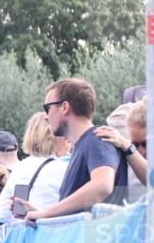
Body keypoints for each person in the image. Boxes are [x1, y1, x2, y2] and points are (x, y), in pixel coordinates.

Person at [26, 78, 130, 222]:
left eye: (47, 108)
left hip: (96, 241)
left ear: (64, 107)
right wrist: (45, 216)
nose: (45, 116)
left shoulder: (97, 139)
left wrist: (47, 213)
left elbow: (102, 186)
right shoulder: (87, 143)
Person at [0, 112, 71, 224]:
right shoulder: (64, 168)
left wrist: (20, 214)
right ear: (57, 138)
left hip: (28, 237)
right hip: (57, 235)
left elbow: (0, 214)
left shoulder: (19, 169)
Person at [94, 101, 148, 203]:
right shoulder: (126, 148)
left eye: (146, 144)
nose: (140, 151)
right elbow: (113, 119)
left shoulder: (128, 148)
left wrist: (129, 148)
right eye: (135, 144)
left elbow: (151, 180)